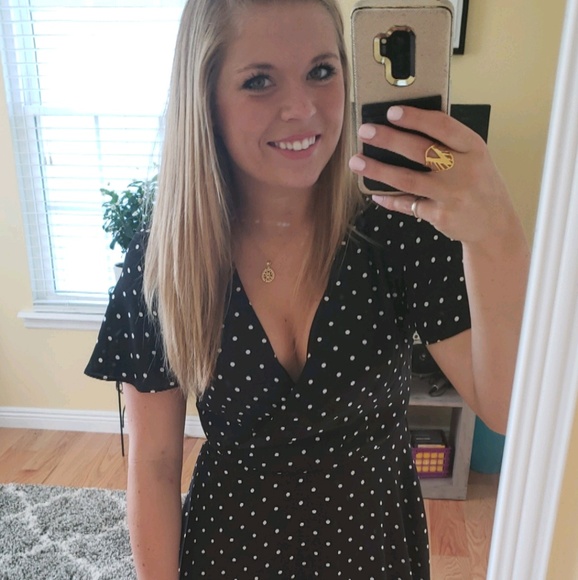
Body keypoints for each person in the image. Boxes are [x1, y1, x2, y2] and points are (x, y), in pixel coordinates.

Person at [85, 0, 530, 577]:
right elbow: (154, 462)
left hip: (373, 552)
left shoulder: (400, 225)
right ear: (205, 99)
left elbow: (507, 408)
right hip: (229, 553)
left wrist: (496, 233)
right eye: (259, 81)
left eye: (321, 71)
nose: (301, 108)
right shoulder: (164, 258)